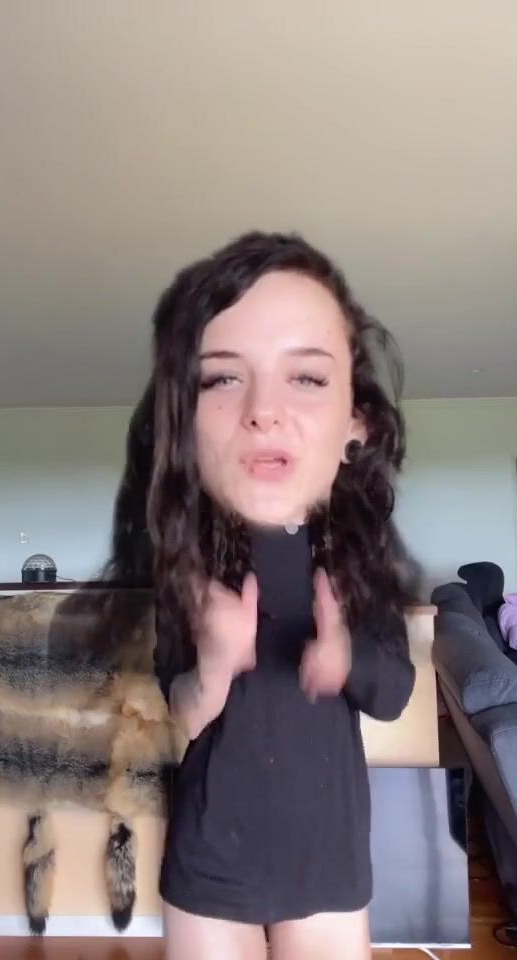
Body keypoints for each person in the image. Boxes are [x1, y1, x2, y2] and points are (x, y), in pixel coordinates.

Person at [125, 231, 418, 959]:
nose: (263, 410)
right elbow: (183, 713)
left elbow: (394, 694)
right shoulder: (186, 556)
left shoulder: (360, 554)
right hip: (209, 865)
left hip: (328, 863)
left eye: (306, 378)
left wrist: (342, 658)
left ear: (356, 426)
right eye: (223, 380)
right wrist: (215, 665)